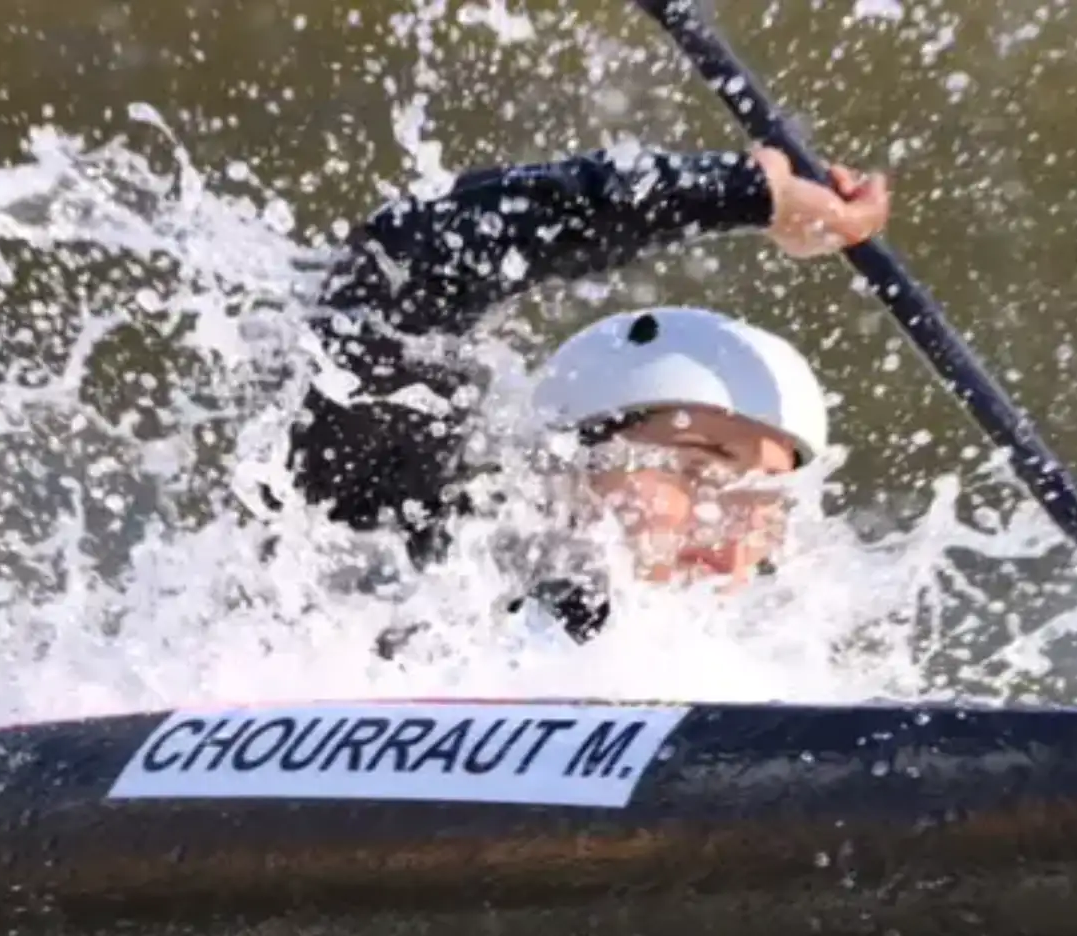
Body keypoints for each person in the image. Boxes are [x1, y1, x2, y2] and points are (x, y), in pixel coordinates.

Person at [286, 145, 890, 644]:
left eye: (767, 498)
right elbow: (414, 259)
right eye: (696, 468)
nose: (727, 524)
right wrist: (744, 193)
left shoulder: (758, 675)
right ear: (565, 463)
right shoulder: (402, 553)